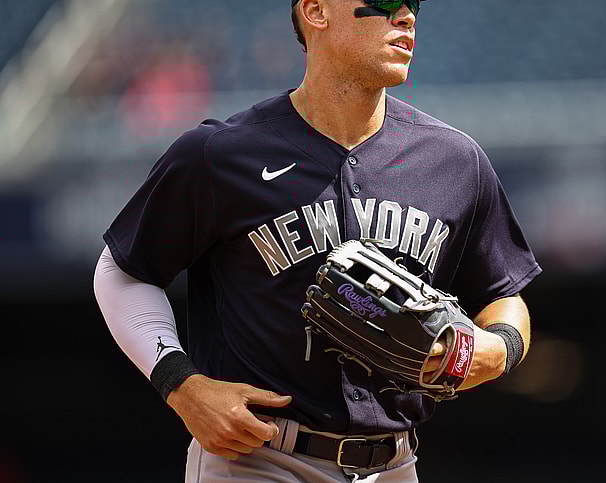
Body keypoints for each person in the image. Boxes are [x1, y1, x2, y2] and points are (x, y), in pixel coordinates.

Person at [93, 0, 542, 481]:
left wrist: (500, 348)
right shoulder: (221, 154)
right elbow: (121, 272)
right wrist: (182, 385)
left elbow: (503, 295)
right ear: (316, 11)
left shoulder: (454, 160)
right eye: (385, 2)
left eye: (413, 4)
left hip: (396, 463)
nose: (407, 16)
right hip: (259, 456)